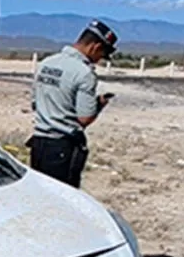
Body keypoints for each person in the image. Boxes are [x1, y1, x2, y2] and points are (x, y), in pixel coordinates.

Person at [26, 19, 118, 188]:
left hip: (38, 144)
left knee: (41, 194)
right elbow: (84, 118)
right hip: (63, 147)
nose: (98, 61)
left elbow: (35, 103)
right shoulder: (84, 73)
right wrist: (99, 104)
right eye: (101, 55)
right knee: (65, 200)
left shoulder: (46, 63)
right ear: (95, 47)